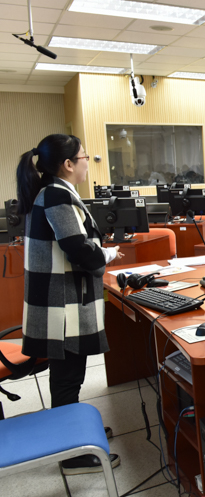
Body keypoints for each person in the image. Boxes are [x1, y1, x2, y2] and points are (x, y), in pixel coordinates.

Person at [16, 134, 122, 475]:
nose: (87, 162)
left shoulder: (54, 192)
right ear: (67, 164)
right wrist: (106, 255)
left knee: (69, 374)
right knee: (67, 376)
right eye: (84, 157)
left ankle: (75, 431)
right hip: (62, 306)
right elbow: (78, 249)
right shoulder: (57, 196)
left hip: (60, 300)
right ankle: (72, 453)